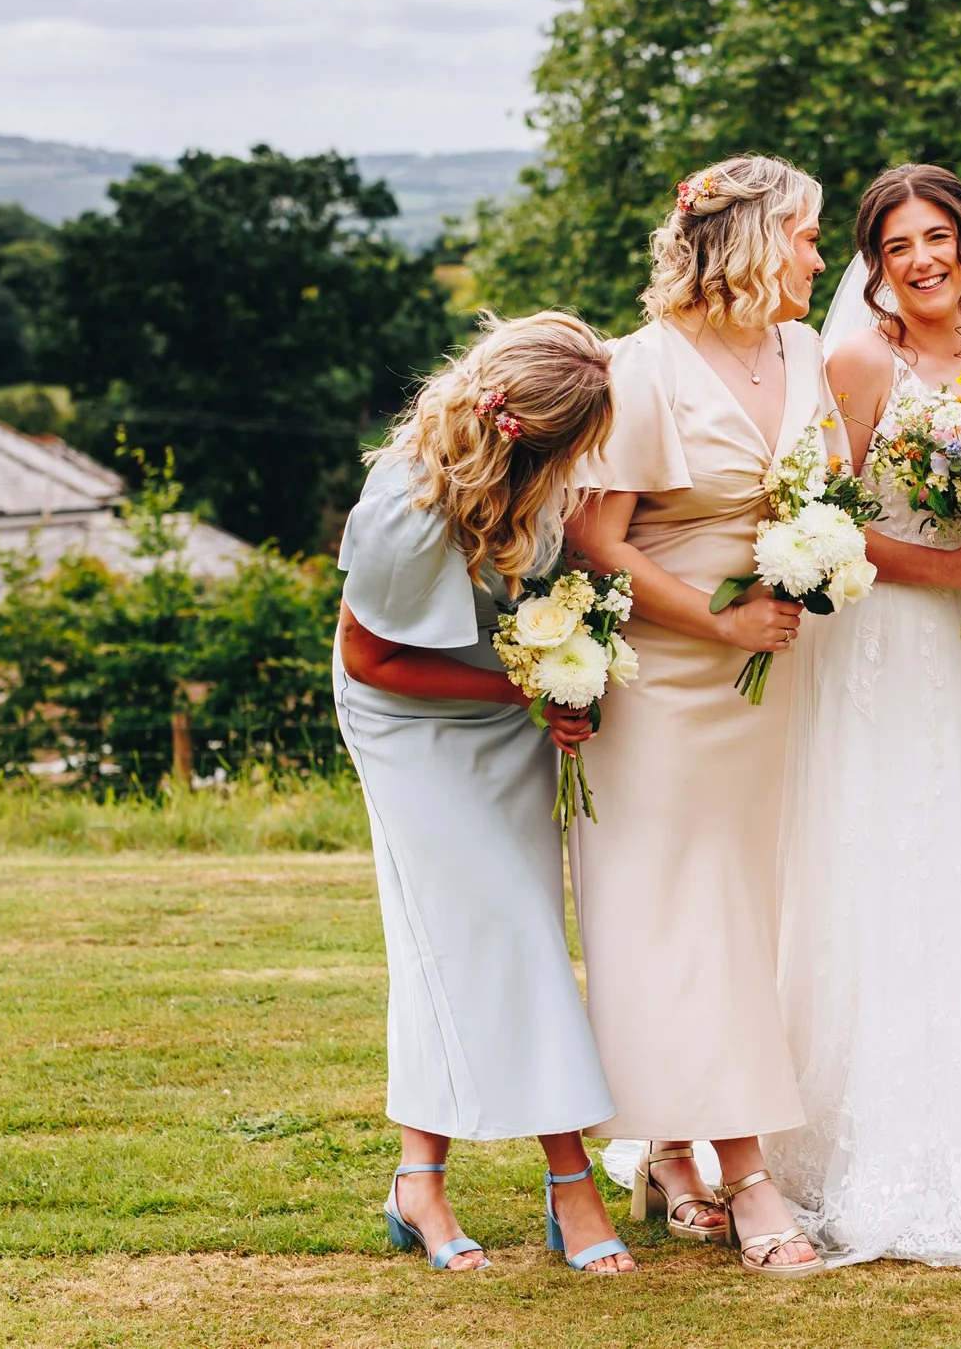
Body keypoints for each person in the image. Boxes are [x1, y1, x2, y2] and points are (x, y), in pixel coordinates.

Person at [770, 163, 961, 1274]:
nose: (921, 260)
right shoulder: (858, 360)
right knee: (887, 858)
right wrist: (942, 563)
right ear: (874, 264)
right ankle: (846, 1130)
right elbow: (827, 523)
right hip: (890, 641)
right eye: (897, 246)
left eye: (936, 236)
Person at [565, 155, 833, 1276]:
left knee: (754, 918)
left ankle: (672, 1145)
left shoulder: (807, 349)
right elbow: (595, 537)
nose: (824, 258)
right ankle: (746, 1166)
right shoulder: (644, 369)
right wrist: (718, 624)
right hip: (669, 682)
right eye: (810, 235)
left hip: (780, 686)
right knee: (687, 918)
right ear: (755, 241)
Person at [331, 310, 632, 1275]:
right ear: (531, 431)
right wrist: (530, 685)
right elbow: (371, 658)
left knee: (469, 938)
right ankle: (570, 1185)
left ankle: (417, 1181)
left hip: (504, 706)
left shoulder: (533, 478)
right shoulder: (406, 504)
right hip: (409, 724)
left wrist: (567, 680)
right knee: (515, 929)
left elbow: (545, 595)